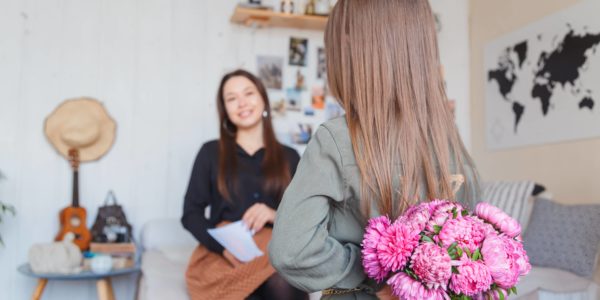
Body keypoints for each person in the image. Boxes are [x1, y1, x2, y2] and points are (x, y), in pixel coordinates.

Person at [268, 1, 480, 299]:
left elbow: (291, 251)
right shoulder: (449, 141)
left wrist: (378, 276)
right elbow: (472, 246)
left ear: (352, 51)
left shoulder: (337, 138)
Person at [182, 69, 307, 300]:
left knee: (284, 285)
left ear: (263, 100)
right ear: (225, 111)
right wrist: (222, 247)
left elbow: (304, 218)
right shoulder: (210, 153)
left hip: (274, 251)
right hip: (225, 253)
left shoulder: (289, 157)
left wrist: (272, 213)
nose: (242, 103)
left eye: (248, 93)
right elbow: (191, 214)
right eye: (231, 98)